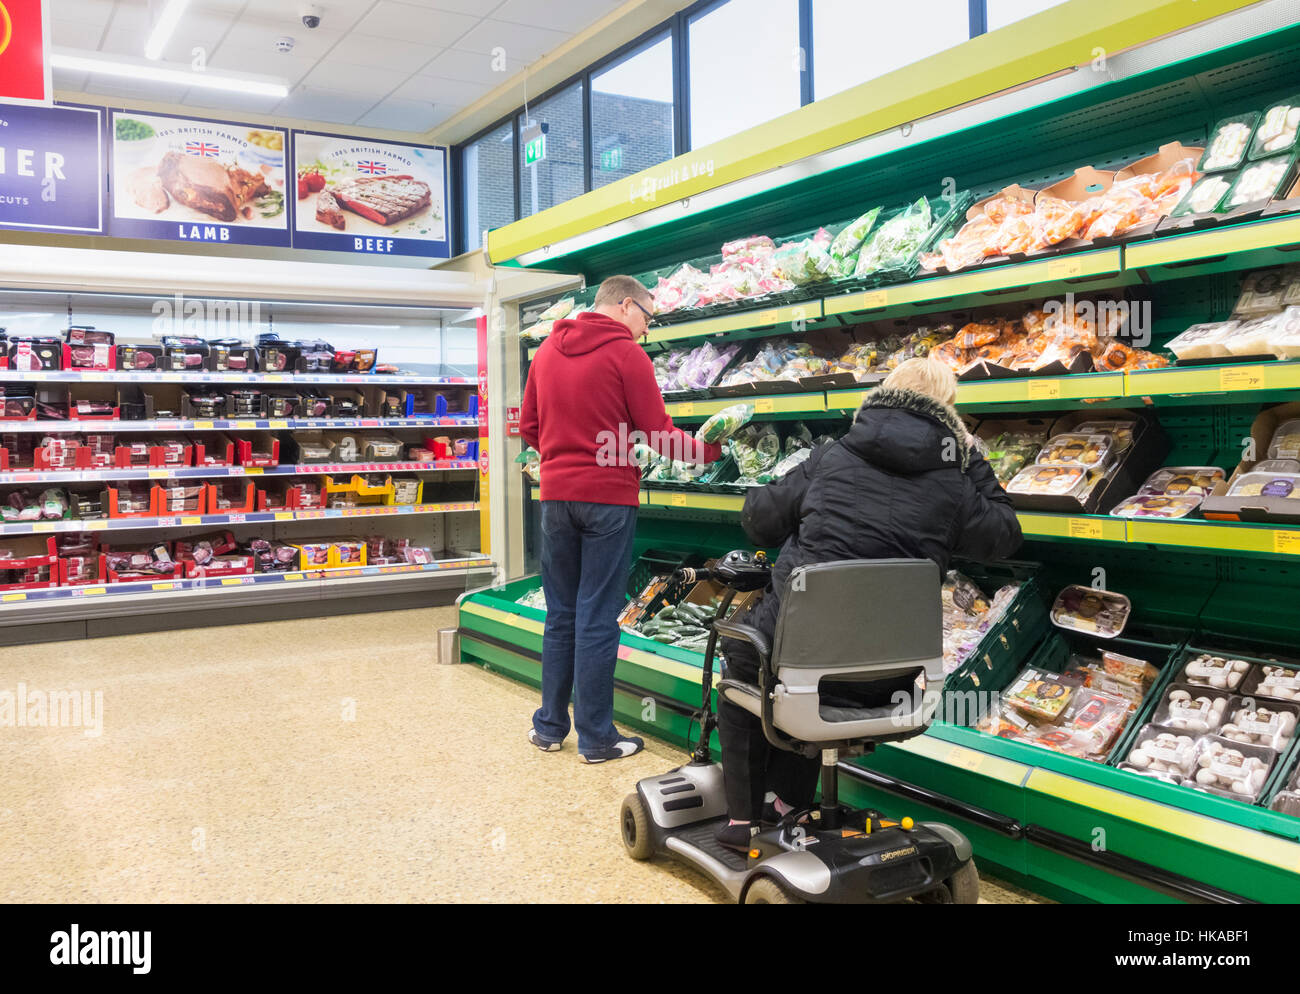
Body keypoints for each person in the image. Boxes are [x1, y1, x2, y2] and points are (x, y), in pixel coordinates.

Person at [714, 357, 1022, 848]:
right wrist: (970, 460)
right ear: (950, 417)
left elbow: (757, 520)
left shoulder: (830, 456)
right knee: (809, 659)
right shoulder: (956, 481)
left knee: (748, 656)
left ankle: (744, 820)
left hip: (804, 667)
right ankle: (790, 803)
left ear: (880, 399)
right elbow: (1006, 535)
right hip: (892, 681)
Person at [520, 276, 723, 763]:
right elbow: (658, 433)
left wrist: (562, 455)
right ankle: (596, 738)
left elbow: (528, 426)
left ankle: (548, 727)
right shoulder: (627, 355)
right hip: (608, 500)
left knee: (561, 615)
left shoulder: (547, 351)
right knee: (596, 617)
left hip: (555, 499)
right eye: (647, 319)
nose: (646, 331)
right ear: (627, 304)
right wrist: (709, 451)